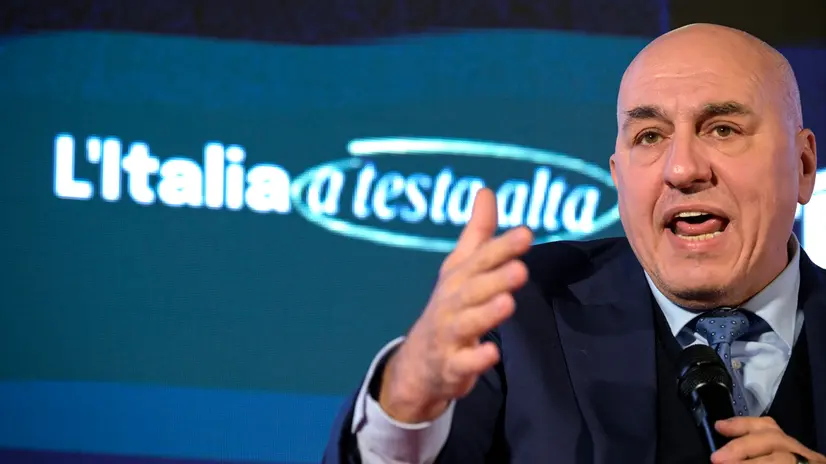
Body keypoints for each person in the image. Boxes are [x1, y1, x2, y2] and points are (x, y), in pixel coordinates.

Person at [322, 23, 826, 464]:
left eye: (722, 129)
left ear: (803, 167)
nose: (681, 169)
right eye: (649, 136)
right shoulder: (521, 310)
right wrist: (405, 402)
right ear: (618, 176)